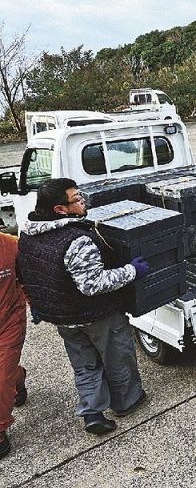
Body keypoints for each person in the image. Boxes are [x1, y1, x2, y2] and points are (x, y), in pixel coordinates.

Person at [16, 178, 150, 435]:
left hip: (63, 318)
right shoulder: (76, 240)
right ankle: (127, 402)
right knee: (118, 359)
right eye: (77, 199)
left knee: (85, 365)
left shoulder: (29, 235)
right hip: (97, 315)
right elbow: (92, 284)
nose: (83, 201)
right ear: (60, 210)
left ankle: (92, 412)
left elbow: (27, 273)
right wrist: (132, 271)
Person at [0, 233, 27, 459]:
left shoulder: (11, 246)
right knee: (7, 374)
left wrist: (37, 304)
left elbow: (28, 278)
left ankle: (0, 431)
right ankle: (18, 378)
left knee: (1, 377)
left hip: (9, 321)